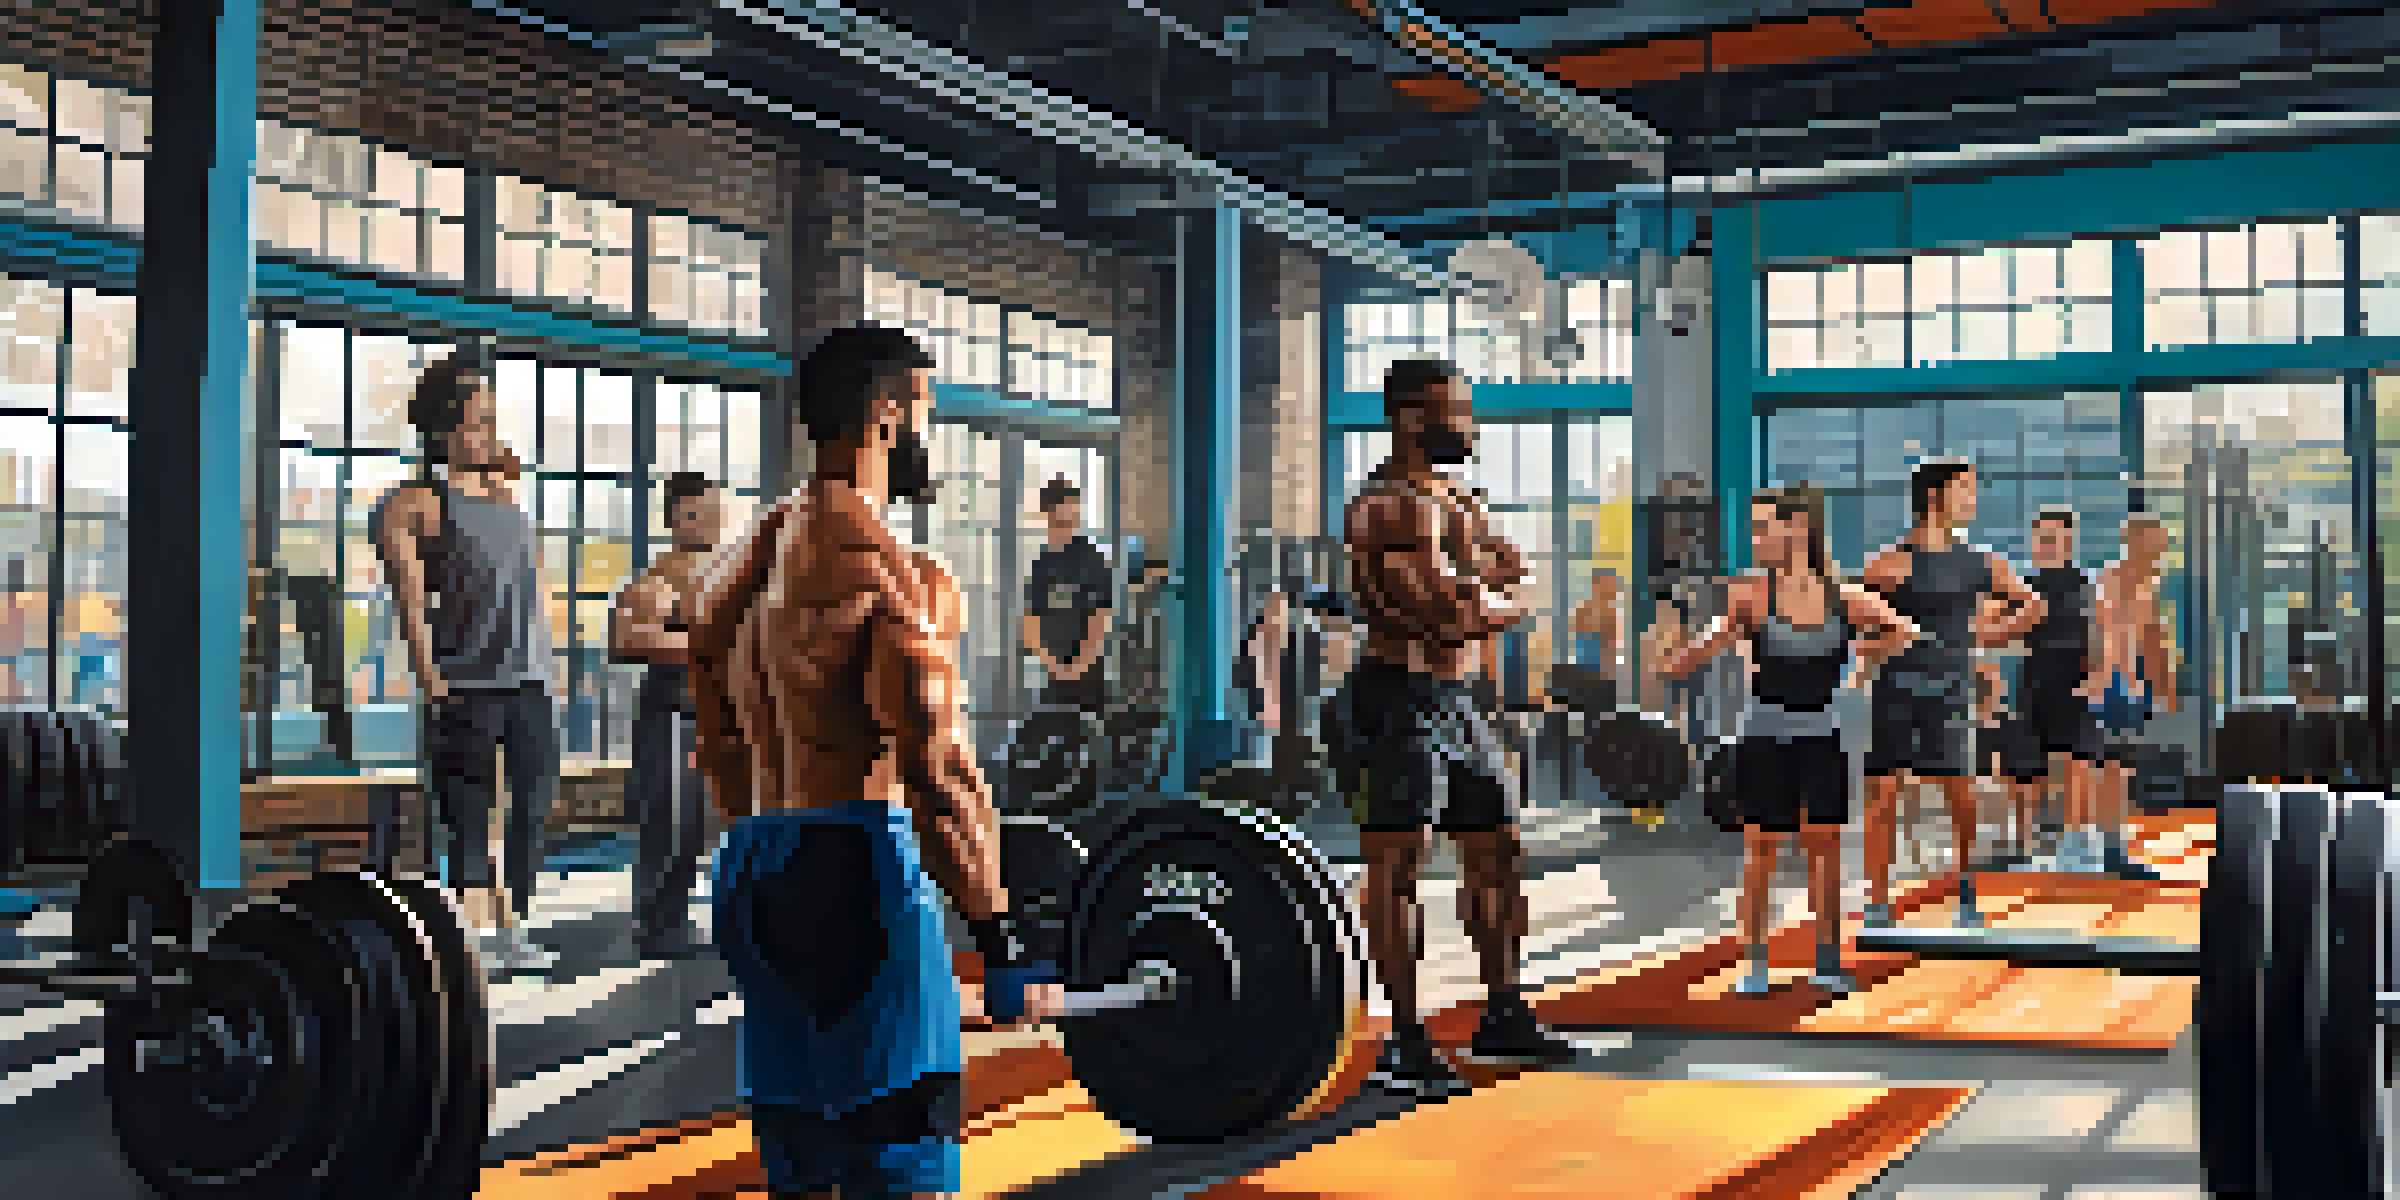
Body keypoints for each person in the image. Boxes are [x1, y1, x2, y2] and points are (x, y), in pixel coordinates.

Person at [682, 325, 1061, 1200]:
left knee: (805, 1158)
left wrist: (769, 834)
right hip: (854, 871)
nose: (933, 435)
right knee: (900, 1157)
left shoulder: (752, 554)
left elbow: (714, 718)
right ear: (887, 415)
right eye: (928, 410)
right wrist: (999, 938)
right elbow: (940, 771)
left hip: (753, 873)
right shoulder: (885, 573)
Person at [1337, 357, 1579, 1097]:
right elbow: (1453, 611)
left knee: (1500, 851)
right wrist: (1511, 600)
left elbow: (1499, 572)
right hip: (1393, 699)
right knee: (1398, 868)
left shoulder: (1459, 502)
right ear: (1411, 418)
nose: (1469, 427)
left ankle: (1502, 1014)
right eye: (1456, 413)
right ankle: (1404, 1042)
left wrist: (1498, 590)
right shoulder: (1390, 506)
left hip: (1459, 701)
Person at [1660, 486, 1915, 996]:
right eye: (1752, 529)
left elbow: (1900, 630)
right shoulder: (1749, 596)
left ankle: (1825, 961)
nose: (1755, 540)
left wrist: (1862, 665)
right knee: (1762, 851)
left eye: (1762, 528)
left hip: (1824, 738)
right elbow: (1684, 660)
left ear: (1798, 527)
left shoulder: (1843, 597)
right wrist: (1682, 637)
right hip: (1765, 738)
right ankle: (1756, 964)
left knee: (1825, 851)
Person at [372, 353, 560, 977]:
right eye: (475, 423)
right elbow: (410, 605)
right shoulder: (418, 505)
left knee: (534, 806)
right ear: (442, 430)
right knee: (469, 816)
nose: (488, 435)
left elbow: (527, 586)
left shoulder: (505, 492)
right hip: (468, 683)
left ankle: (516, 924)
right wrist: (432, 682)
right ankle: (475, 934)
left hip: (529, 680)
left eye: (490, 422)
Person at [1859, 459, 2044, 929]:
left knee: (1961, 795)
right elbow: (1861, 632)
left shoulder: (1981, 562)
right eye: (1965, 490)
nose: (1973, 499)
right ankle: (1878, 903)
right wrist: (1882, 647)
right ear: (1935, 497)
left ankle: (1965, 892)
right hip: (1896, 690)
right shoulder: (1888, 564)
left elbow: (2032, 606)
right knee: (1882, 795)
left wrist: (1986, 640)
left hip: (1950, 690)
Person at [609, 471, 726, 960]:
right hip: (672, 713)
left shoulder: (724, 572)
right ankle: (657, 928)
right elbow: (624, 639)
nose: (715, 520)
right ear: (678, 516)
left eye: (718, 510)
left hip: (715, 714)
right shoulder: (659, 581)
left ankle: (673, 919)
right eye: (703, 511)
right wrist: (704, 644)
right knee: (672, 822)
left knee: (701, 824)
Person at [1987, 508, 2107, 873]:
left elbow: (2099, 635)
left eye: (2054, 537)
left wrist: (2098, 676)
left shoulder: (2086, 585)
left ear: (2069, 541)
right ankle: (2027, 847)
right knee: (2026, 768)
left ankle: (2076, 845)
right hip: (2033, 679)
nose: (2047, 544)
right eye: (2041, 538)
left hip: (2075, 681)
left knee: (2079, 762)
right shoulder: (2021, 587)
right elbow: (1991, 627)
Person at [2081, 513, 2176, 881]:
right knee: (2111, 769)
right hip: (2115, 687)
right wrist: (2121, 679)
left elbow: (2148, 636)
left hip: (2123, 685)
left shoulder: (2138, 581)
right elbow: (2111, 634)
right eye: (2157, 543)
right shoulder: (2118, 580)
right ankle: (2109, 851)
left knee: (2117, 770)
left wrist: (2158, 683)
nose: (2162, 550)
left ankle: (2111, 847)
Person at [1021, 478, 1113, 715]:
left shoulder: (1092, 559)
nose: (1066, 523)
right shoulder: (1041, 565)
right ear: (1047, 515)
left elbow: (1100, 619)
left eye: (1071, 516)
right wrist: (1052, 665)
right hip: (1053, 679)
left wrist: (1078, 666)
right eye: (1059, 517)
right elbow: (1030, 622)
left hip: (1089, 679)